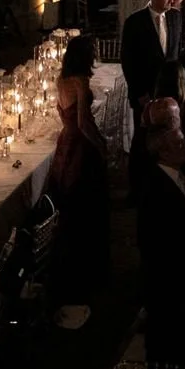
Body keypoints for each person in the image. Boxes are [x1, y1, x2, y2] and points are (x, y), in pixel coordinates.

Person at [136, 118, 185, 359]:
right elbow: (158, 245)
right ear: (164, 152)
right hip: (172, 283)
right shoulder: (156, 190)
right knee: (170, 344)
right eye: (180, 143)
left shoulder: (180, 175)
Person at [43, 33, 108, 330]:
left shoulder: (61, 80)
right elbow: (83, 122)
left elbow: (64, 116)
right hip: (81, 147)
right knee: (87, 203)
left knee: (69, 201)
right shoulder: (80, 82)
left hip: (65, 143)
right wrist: (100, 146)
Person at [120, 0, 179, 113]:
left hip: (171, 90)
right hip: (145, 92)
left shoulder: (176, 17)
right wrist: (139, 93)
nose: (171, 0)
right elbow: (128, 60)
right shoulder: (134, 22)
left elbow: (176, 52)